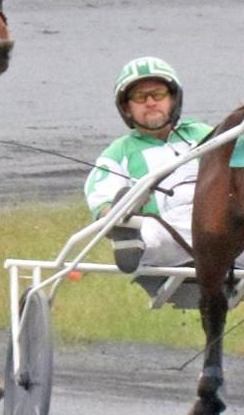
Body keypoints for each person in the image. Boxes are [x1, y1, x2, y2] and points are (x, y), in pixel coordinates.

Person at [84, 57, 217, 277]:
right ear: (126, 108)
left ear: (174, 99)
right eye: (139, 97)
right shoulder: (117, 154)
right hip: (169, 238)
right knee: (144, 232)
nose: (150, 102)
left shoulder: (206, 135)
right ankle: (126, 231)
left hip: (222, 230)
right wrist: (119, 213)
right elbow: (102, 202)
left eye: (158, 94)